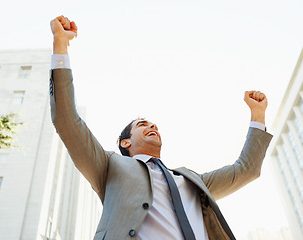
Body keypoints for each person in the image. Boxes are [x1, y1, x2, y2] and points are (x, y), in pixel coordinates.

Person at [49, 15, 273, 240]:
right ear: (125, 142)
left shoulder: (193, 182)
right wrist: (61, 43)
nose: (152, 125)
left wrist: (258, 114)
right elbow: (67, 121)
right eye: (142, 124)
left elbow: (247, 170)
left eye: (153, 124)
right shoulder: (109, 167)